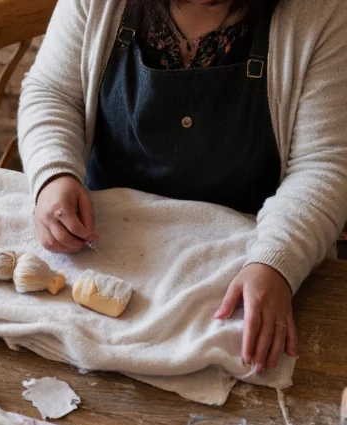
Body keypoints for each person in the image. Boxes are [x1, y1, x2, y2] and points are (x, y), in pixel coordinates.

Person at [18, 0, 347, 374]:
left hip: (245, 261)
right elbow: (52, 93)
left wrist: (277, 262)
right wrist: (54, 174)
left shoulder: (323, 11)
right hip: (105, 246)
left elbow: (324, 164)